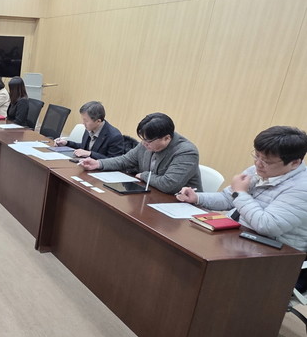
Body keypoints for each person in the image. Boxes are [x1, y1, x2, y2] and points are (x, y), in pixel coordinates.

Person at [176, 126, 307, 288]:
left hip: (272, 257)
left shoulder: (302, 188)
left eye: (266, 161)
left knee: (200, 277)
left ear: (294, 163)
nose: (258, 163)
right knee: (183, 253)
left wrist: (240, 193)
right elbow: (228, 198)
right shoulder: (257, 170)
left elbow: (267, 225)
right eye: (256, 155)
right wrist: (197, 197)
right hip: (235, 238)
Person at [79, 112, 201, 194]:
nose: (144, 144)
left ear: (167, 138)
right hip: (151, 195)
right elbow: (125, 160)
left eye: (148, 141)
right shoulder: (146, 142)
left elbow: (169, 184)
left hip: (181, 206)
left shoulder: (186, 152)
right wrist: (98, 163)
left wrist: (144, 175)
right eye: (143, 139)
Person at [54, 101, 124, 159]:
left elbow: (114, 161)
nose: (83, 123)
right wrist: (67, 143)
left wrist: (90, 154)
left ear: (98, 121)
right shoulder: (90, 128)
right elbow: (85, 147)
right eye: (83, 119)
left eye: (86, 120)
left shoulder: (114, 136)